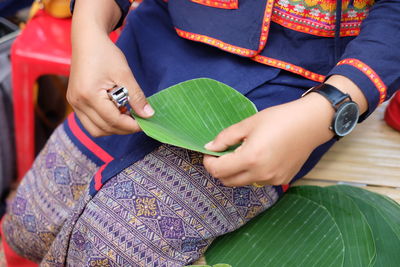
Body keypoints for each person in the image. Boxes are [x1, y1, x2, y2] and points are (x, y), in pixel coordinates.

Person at [2, 0, 399, 266]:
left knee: (116, 248)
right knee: (26, 227)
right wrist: (89, 28)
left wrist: (329, 107)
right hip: (152, 50)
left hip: (298, 94)